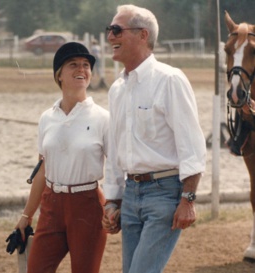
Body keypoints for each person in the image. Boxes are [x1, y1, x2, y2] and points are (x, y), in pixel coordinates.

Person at [102, 5, 207, 273]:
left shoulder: (170, 80)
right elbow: (115, 150)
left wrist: (188, 200)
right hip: (131, 193)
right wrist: (113, 201)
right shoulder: (117, 90)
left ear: (142, 35)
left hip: (165, 194)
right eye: (109, 30)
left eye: (116, 30)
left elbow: (192, 146)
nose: (110, 37)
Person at [15, 42, 109, 273]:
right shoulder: (47, 118)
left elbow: (117, 168)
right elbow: (42, 170)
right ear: (59, 74)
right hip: (51, 205)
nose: (82, 69)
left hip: (88, 205)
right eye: (73, 64)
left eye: (86, 65)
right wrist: (26, 216)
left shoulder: (103, 118)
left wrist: (115, 206)